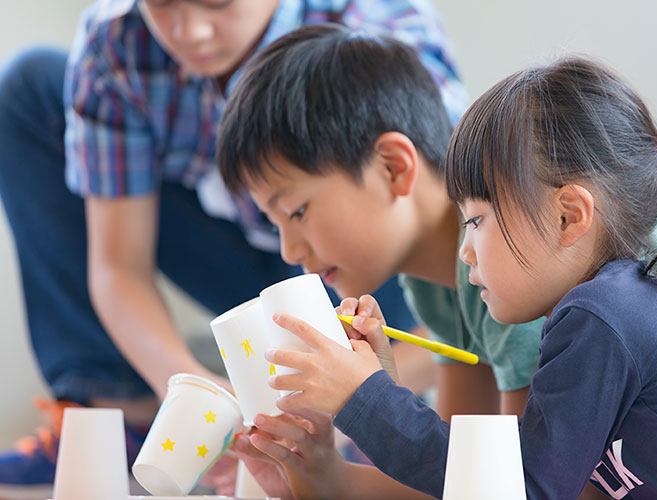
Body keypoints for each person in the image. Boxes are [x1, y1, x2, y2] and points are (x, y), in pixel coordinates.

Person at [217, 26, 657, 498]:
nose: (465, 248)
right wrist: (373, 397)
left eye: (476, 222)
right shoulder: (594, 307)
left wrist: (366, 399)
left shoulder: (598, 314)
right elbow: (468, 465)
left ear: (569, 217)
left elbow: (518, 485)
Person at [0, 0, 466, 496]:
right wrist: (192, 389)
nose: (191, 31)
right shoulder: (115, 44)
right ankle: (127, 415)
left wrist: (365, 403)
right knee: (29, 85)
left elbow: (445, 208)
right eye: (162, 5)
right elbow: (118, 267)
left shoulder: (377, 32)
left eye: (217, 3)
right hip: (276, 259)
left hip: (383, 270)